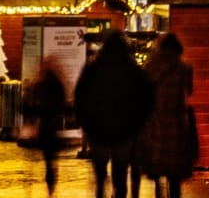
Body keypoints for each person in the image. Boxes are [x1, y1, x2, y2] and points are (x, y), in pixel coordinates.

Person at [77, 32, 152, 198]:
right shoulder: (133, 70)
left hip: (98, 130)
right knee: (120, 172)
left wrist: (86, 123)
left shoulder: (93, 68)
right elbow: (145, 99)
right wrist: (137, 125)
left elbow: (81, 96)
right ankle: (119, 192)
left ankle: (100, 191)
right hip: (124, 132)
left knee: (100, 173)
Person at [138, 33, 197, 198]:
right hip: (177, 123)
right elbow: (190, 91)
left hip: (155, 121)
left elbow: (144, 94)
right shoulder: (185, 67)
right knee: (174, 171)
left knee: (157, 165)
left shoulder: (149, 67)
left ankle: (158, 191)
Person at [20, 56, 70, 197]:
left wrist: (30, 121)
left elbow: (28, 106)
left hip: (44, 126)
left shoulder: (39, 84)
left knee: (48, 158)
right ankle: (51, 186)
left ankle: (50, 185)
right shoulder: (56, 83)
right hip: (51, 125)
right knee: (50, 159)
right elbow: (62, 103)